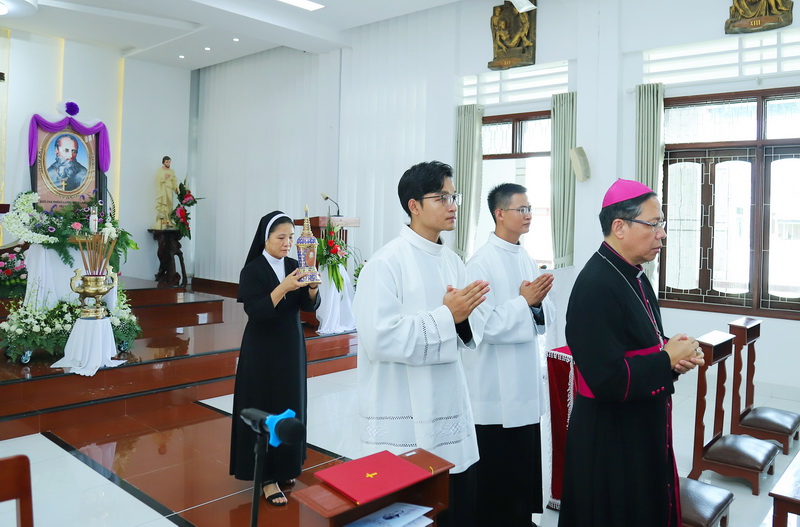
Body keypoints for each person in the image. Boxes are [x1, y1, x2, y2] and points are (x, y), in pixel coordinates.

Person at [558, 179, 705, 527]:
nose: (662, 234)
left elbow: (644, 340)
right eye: (653, 224)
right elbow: (607, 378)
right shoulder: (596, 285)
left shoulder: (634, 274)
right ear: (619, 227)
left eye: (661, 224)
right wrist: (666, 359)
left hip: (639, 428)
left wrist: (673, 356)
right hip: (611, 441)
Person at [352, 161, 489, 527]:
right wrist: (447, 316)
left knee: (454, 503)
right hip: (401, 408)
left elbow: (470, 329)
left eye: (454, 197)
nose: (452, 205)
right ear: (414, 205)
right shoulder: (385, 264)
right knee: (410, 509)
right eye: (442, 197)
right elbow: (379, 339)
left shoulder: (453, 262)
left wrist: (460, 319)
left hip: (447, 401)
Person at [464, 183, 554, 527]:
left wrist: (536, 306)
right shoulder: (479, 264)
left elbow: (543, 313)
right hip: (495, 389)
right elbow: (483, 325)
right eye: (522, 209)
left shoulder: (526, 257)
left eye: (530, 208)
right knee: (498, 468)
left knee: (522, 462)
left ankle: (520, 519)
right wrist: (525, 303)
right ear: (499, 213)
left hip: (524, 382)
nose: (529, 215)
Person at [229, 211, 320, 506]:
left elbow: (308, 306)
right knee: (266, 406)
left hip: (291, 345)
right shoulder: (253, 270)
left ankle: (286, 466)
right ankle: (267, 477)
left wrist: (312, 288)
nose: (287, 243)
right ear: (265, 239)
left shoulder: (295, 265)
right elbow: (256, 312)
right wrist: (284, 287)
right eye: (281, 237)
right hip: (262, 349)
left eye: (291, 237)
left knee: (291, 403)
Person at [154, 156, 178, 229]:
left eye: (169, 162)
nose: (168, 163)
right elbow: (157, 180)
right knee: (164, 205)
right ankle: (164, 221)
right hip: (163, 191)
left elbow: (174, 181)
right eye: (167, 162)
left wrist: (177, 188)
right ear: (163, 162)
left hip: (169, 190)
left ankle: (169, 220)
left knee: (170, 205)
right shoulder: (159, 171)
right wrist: (164, 177)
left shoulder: (172, 171)